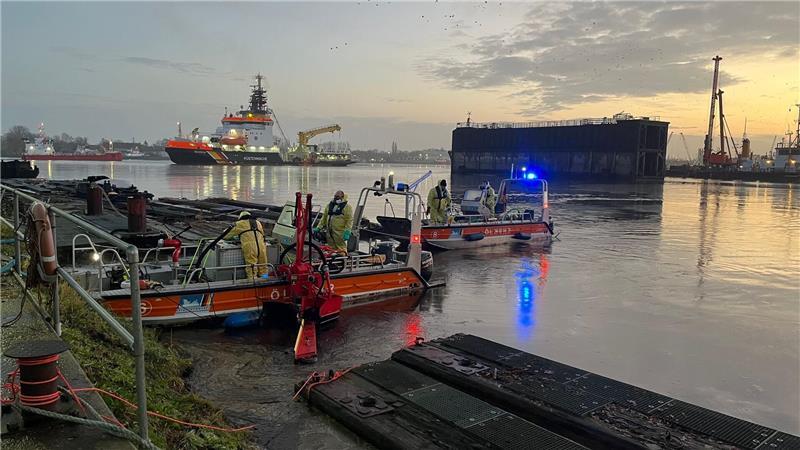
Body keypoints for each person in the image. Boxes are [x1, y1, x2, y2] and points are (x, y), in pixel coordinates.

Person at [224, 211, 268, 280]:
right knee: (263, 266)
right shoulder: (258, 223)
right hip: (262, 246)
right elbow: (263, 235)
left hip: (250, 248)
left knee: (252, 268)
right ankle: (265, 281)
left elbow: (225, 235)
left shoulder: (240, 223)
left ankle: (253, 282)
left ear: (240, 218)